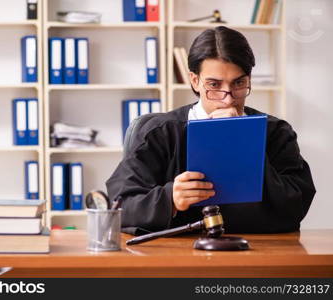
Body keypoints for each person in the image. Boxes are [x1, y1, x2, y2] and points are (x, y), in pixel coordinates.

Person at [105, 26, 316, 236]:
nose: (228, 98)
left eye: (239, 83)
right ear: (195, 81)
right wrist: (170, 199)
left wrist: (245, 143)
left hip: (258, 252)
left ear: (249, 80)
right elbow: (120, 206)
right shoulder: (160, 133)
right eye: (214, 85)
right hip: (179, 256)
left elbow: (297, 204)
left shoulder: (276, 132)